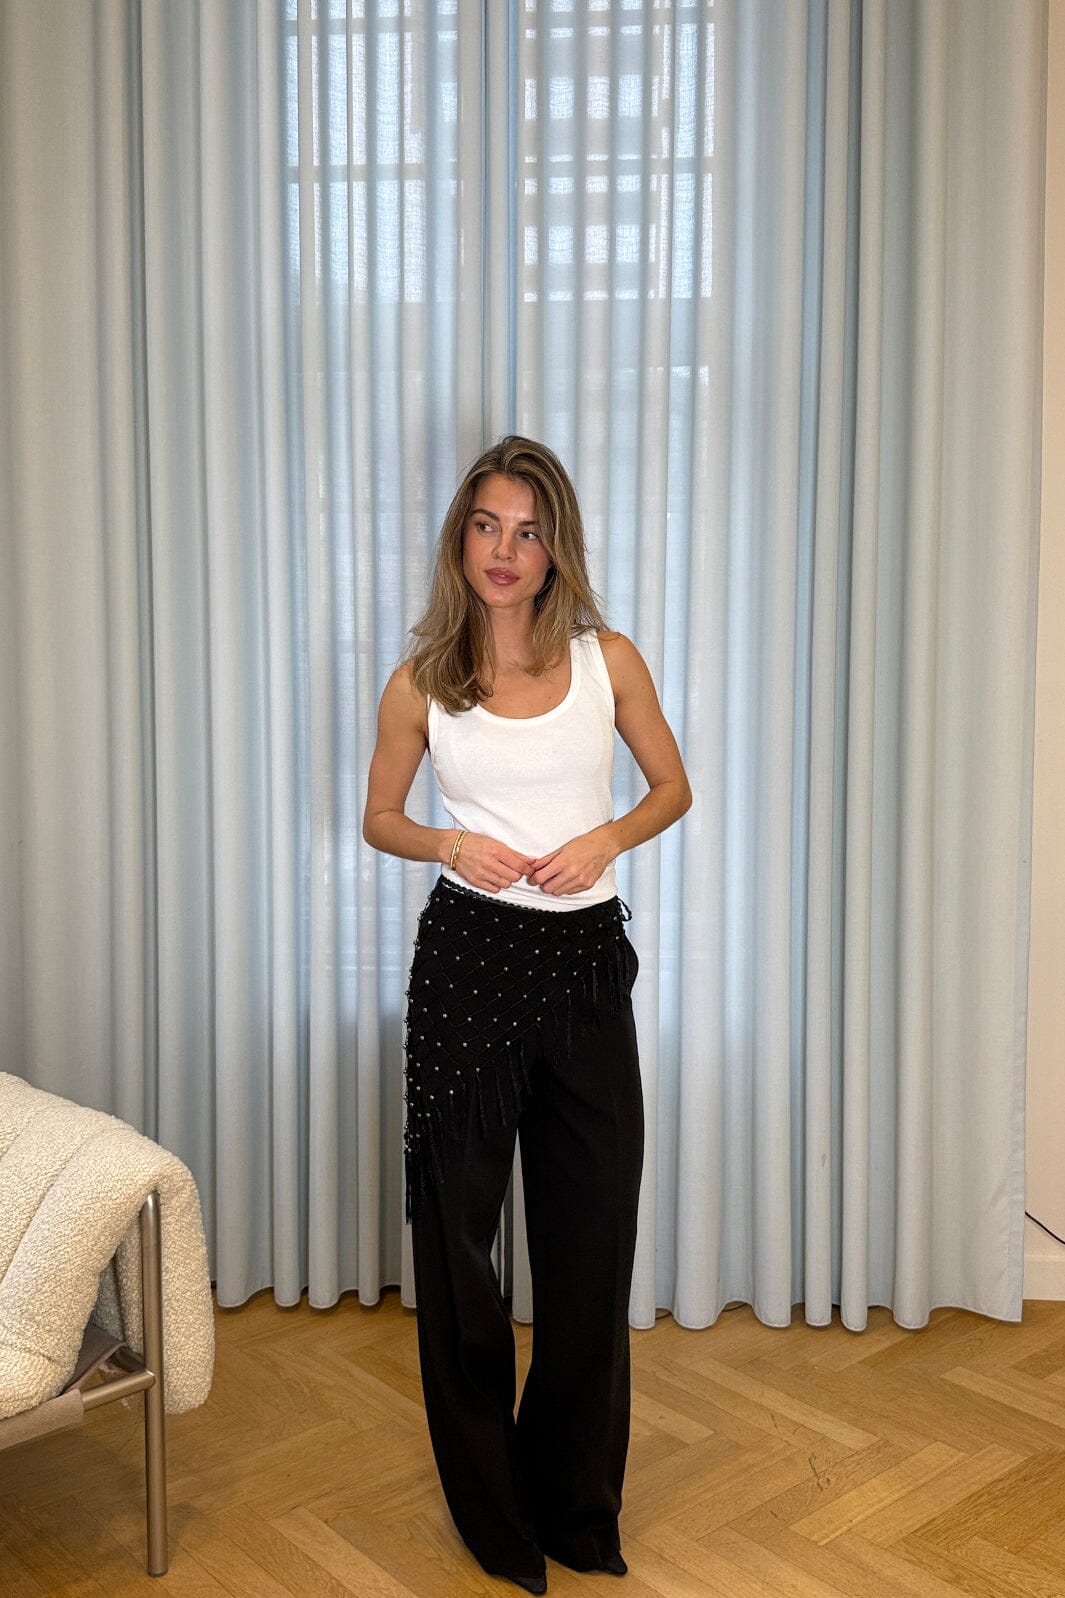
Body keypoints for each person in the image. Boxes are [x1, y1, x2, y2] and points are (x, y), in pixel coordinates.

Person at [362, 435, 691, 1593]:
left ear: (557, 550)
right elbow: (379, 816)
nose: (506, 549)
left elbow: (672, 785)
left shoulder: (609, 661)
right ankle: (494, 1510)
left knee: (591, 1245)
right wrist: (449, 841)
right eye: (488, 525)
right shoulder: (421, 679)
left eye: (530, 530)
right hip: (467, 968)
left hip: (585, 970)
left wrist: (607, 837)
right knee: (459, 1249)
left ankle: (574, 1503)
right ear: (462, 535)